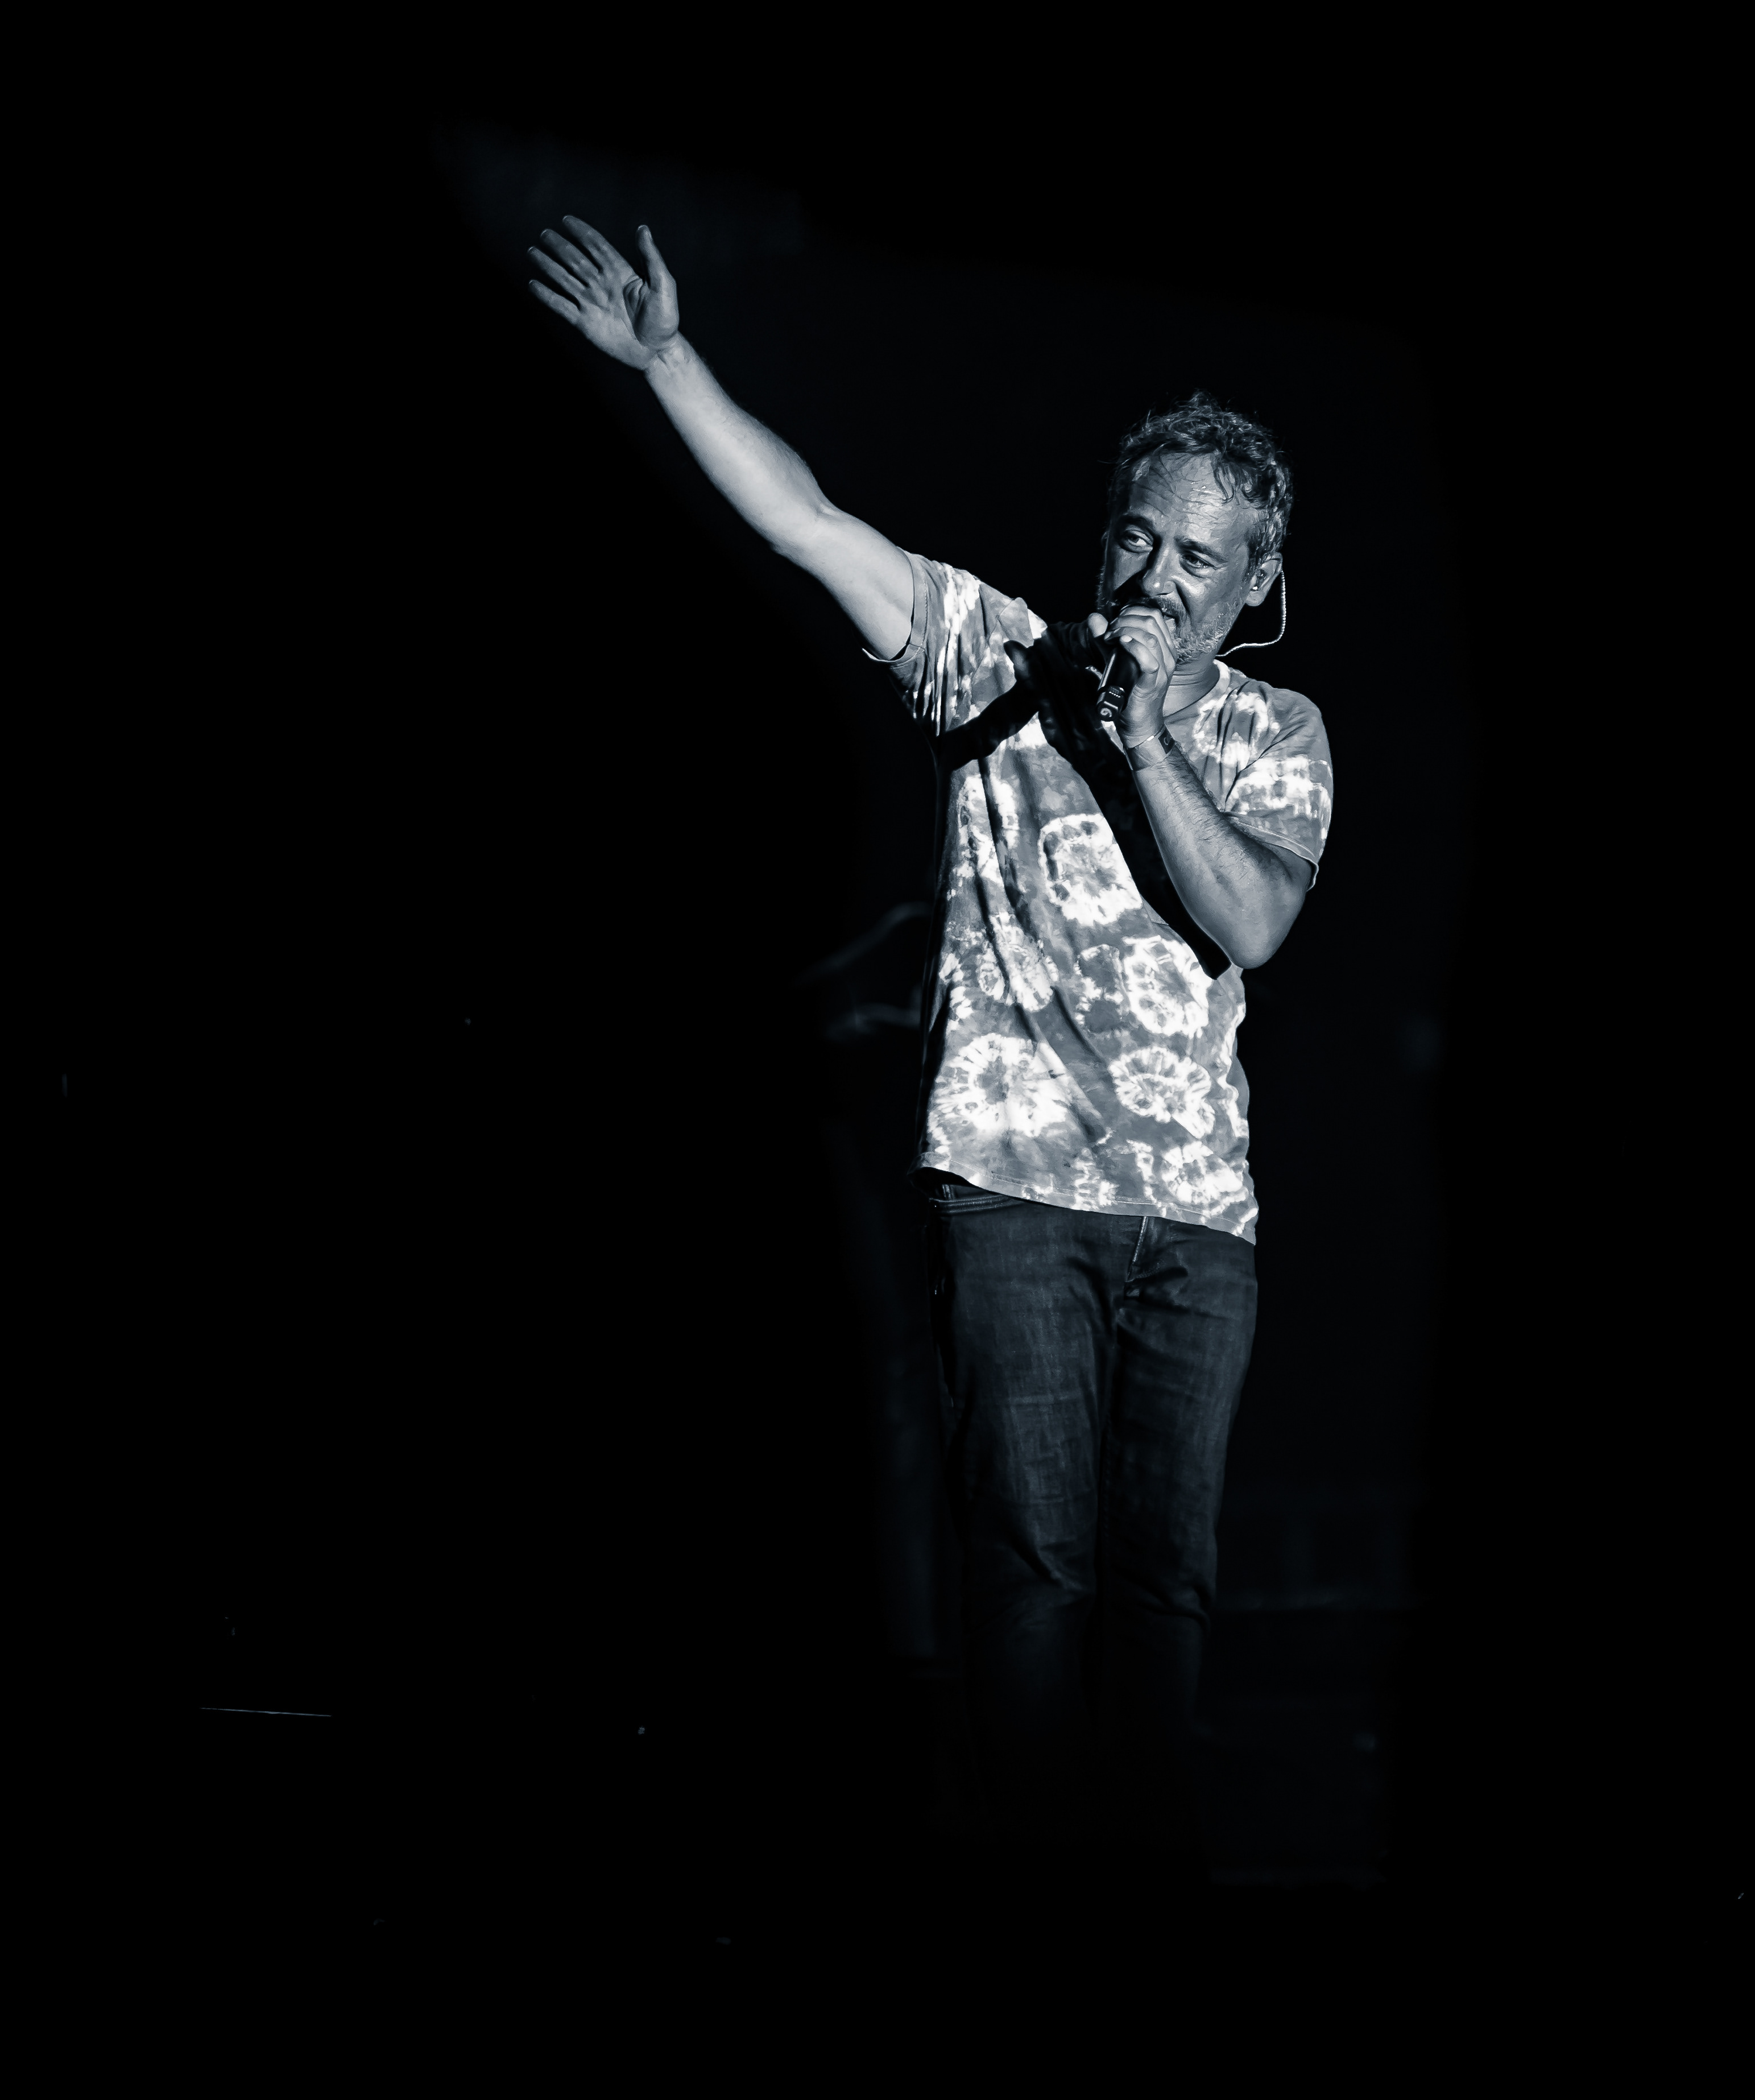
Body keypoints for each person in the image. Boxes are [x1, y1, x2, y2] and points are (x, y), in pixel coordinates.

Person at [528, 216, 1334, 1907]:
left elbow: (1254, 923)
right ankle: (1033, 1892)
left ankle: (1145, 1884)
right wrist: (672, 364)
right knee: (1031, 1575)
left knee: (1165, 1590)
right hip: (1014, 1193)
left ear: (1253, 585)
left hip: (1199, 1223)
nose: (1153, 577)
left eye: (1197, 558)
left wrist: (1146, 737)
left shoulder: (1277, 733)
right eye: (1137, 536)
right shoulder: (1002, 657)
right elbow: (811, 523)